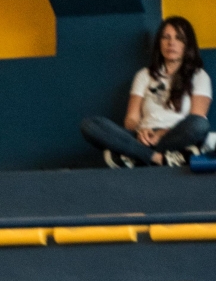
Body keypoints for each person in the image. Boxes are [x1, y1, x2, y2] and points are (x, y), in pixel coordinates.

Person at [81, 16, 211, 169]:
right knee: (90, 125)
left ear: (187, 44)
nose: (171, 43)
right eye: (166, 37)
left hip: (175, 135)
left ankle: (133, 157)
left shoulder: (199, 76)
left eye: (179, 38)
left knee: (200, 124)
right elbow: (131, 119)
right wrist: (141, 131)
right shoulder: (144, 75)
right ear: (159, 43)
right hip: (143, 137)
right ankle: (158, 158)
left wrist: (162, 133)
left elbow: (197, 116)